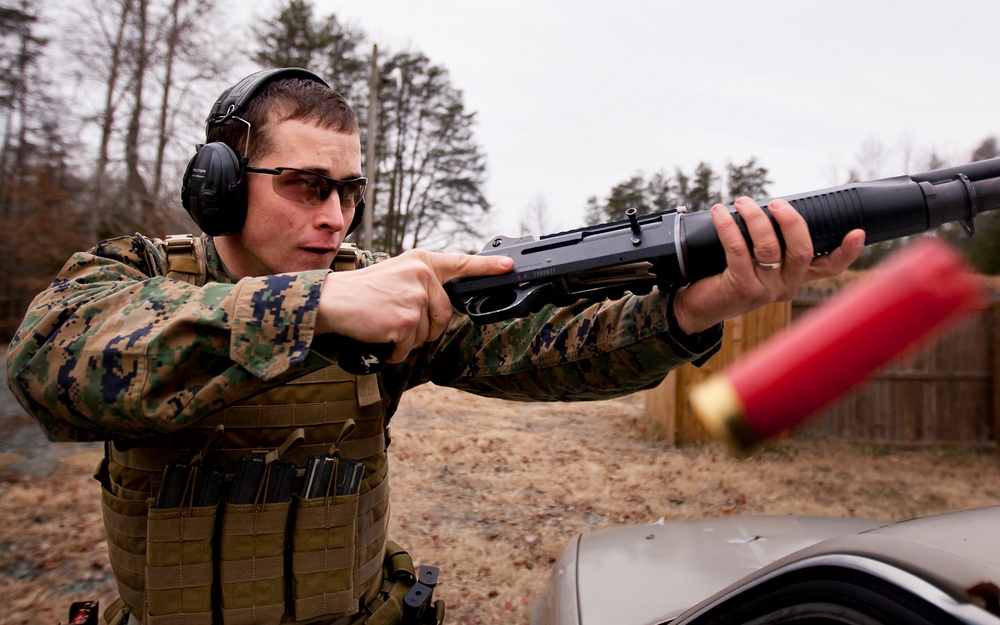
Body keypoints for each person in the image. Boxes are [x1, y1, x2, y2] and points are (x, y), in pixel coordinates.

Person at [4, 68, 865, 625]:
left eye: (348, 191)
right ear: (220, 185)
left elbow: (541, 348)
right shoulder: (136, 273)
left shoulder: (387, 297)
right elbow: (53, 365)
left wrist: (688, 311)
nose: (334, 216)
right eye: (305, 185)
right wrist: (316, 305)